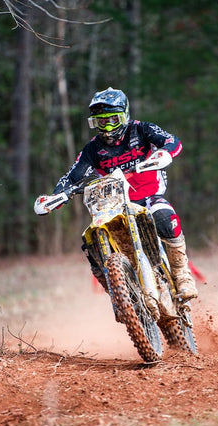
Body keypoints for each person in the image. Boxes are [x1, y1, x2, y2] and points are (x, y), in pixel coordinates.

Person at [46, 87, 197, 301]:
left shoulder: (142, 130)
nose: (107, 127)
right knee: (91, 243)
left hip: (148, 196)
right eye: (101, 121)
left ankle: (182, 274)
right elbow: (72, 176)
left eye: (112, 120)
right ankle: (120, 296)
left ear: (124, 116)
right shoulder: (92, 150)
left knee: (164, 215)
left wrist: (164, 153)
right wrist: (56, 196)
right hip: (113, 205)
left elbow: (172, 141)